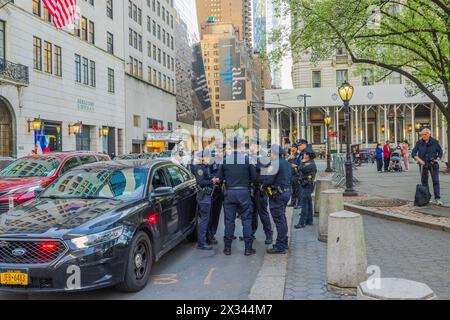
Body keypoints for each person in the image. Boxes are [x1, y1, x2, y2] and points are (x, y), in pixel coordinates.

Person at [215, 137, 257, 256]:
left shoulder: (224, 160)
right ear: (241, 145)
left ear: (230, 145)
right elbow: (254, 178)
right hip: (244, 192)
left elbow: (219, 178)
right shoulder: (247, 159)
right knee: (247, 220)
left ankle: (227, 248)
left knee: (229, 221)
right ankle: (248, 248)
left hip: (230, 193)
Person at [263, 144, 292, 254]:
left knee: (279, 220)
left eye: (270, 153)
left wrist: (263, 186)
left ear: (274, 154)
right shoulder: (287, 163)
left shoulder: (274, 164)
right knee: (282, 218)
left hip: (277, 195)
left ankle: (280, 246)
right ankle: (284, 242)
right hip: (286, 192)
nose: (269, 155)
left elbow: (268, 181)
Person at [246, 137, 273, 245]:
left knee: (263, 213)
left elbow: (263, 166)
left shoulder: (264, 156)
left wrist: (253, 163)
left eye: (252, 145)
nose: (250, 147)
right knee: (252, 213)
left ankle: (269, 235)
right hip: (252, 188)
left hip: (261, 188)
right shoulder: (250, 156)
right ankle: (251, 233)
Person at [190, 150, 218, 250]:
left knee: (207, 219)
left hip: (207, 196)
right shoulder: (199, 168)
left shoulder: (204, 167)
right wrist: (212, 180)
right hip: (204, 196)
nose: (209, 159)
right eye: (208, 157)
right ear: (203, 158)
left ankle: (206, 239)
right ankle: (201, 243)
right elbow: (201, 182)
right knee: (204, 220)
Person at [411, 128, 443, 206]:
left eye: (424, 134)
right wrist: (419, 160)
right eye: (421, 135)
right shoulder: (419, 142)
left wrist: (437, 159)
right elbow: (413, 153)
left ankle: (437, 198)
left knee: (435, 181)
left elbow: (440, 152)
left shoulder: (435, 142)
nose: (422, 136)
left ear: (429, 134)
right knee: (424, 181)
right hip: (423, 164)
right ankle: (427, 198)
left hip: (433, 164)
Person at [295, 147, 317, 229]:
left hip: (307, 185)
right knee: (308, 203)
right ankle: (309, 220)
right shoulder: (308, 162)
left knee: (304, 205)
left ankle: (301, 223)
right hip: (306, 185)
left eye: (304, 154)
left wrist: (301, 163)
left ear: (308, 155)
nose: (303, 155)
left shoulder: (310, 164)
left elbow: (301, 168)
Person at [208, 144, 225, 245]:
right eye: (220, 151)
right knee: (211, 214)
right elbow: (208, 174)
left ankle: (212, 233)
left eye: (223, 151)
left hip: (221, 190)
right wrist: (214, 179)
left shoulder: (226, 161)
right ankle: (209, 234)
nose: (221, 153)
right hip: (212, 191)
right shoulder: (211, 161)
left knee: (217, 214)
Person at [287, 142, 300, 207]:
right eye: (291, 147)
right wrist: (288, 159)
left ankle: (297, 203)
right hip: (291, 175)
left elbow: (299, 165)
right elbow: (287, 164)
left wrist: (295, 166)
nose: (292, 149)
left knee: (297, 190)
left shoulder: (298, 156)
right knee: (292, 189)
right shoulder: (290, 155)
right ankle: (292, 202)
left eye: (293, 148)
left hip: (296, 175)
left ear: (296, 148)